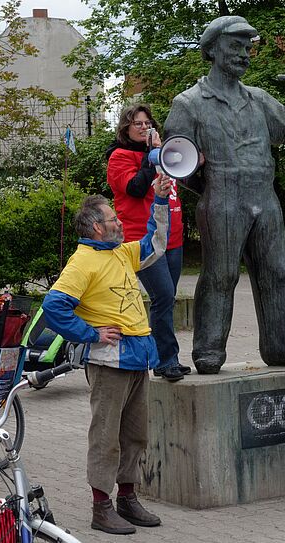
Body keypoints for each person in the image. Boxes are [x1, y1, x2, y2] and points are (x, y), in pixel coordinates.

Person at [163, 15, 285, 374]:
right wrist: (212, 189)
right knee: (220, 275)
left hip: (265, 197)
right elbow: (176, 161)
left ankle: (281, 346)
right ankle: (208, 350)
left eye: (248, 47)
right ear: (213, 49)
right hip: (223, 198)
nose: (245, 54)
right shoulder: (189, 103)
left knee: (278, 272)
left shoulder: (259, 99)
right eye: (236, 46)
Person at [41, 184, 171, 535]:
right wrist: (91, 333)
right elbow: (52, 307)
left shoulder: (121, 253)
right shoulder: (82, 262)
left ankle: (127, 499)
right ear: (97, 227)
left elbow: (156, 242)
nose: (119, 223)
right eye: (113, 219)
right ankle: (102, 507)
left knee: (135, 434)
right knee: (106, 437)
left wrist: (159, 198)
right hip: (109, 362)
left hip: (138, 357)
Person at [106, 104, 189, 382]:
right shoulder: (119, 157)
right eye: (137, 124)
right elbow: (135, 188)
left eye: (147, 122)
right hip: (142, 239)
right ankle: (166, 360)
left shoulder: (161, 152)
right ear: (126, 129)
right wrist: (151, 159)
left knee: (167, 300)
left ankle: (167, 356)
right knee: (163, 296)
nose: (143, 127)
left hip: (172, 236)